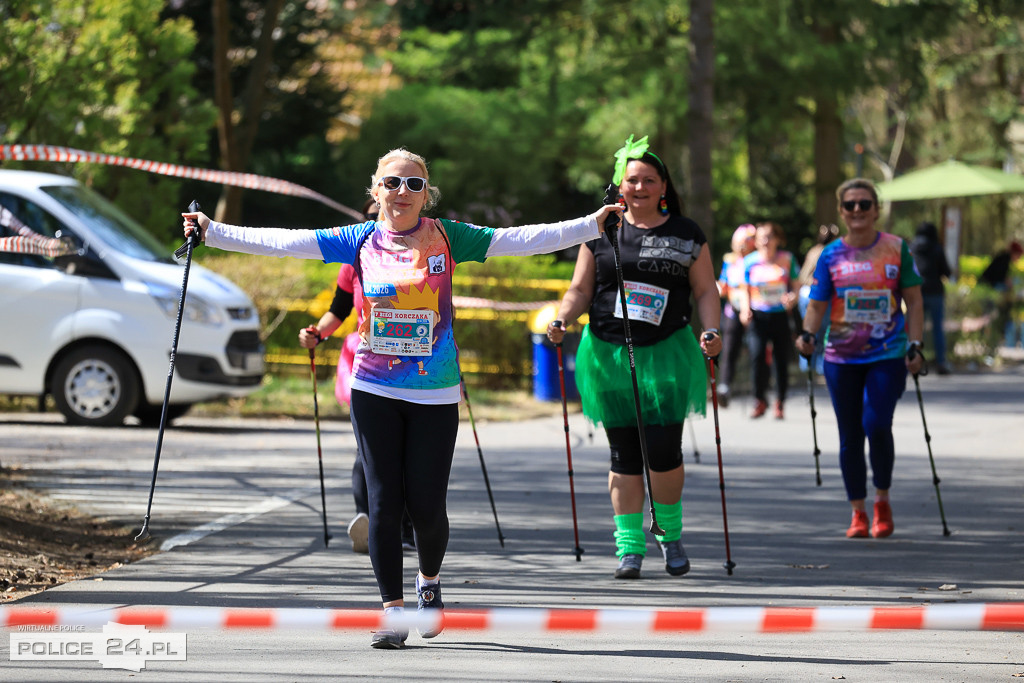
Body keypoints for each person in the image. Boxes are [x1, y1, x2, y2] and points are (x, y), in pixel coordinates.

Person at [183, 148, 623, 650]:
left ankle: (429, 582)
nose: (403, 193)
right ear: (376, 192)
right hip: (373, 387)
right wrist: (212, 231)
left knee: (427, 507)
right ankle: (391, 609)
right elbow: (285, 243)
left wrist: (591, 224)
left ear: (426, 195)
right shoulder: (358, 240)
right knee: (383, 502)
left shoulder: (447, 236)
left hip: (435, 392)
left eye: (415, 185)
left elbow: (521, 240)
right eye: (393, 183)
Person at [545, 134, 722, 580]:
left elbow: (705, 290)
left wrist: (713, 331)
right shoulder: (599, 231)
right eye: (631, 180)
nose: (639, 187)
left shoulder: (686, 234)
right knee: (623, 453)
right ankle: (629, 548)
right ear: (618, 187)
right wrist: (563, 318)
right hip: (607, 352)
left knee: (663, 451)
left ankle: (670, 532)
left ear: (664, 186)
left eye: (648, 180)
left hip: (666, 352)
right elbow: (580, 289)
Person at [795, 178, 924, 540]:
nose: (857, 211)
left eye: (864, 204)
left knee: (877, 423)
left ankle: (882, 499)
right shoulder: (831, 254)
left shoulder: (897, 249)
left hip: (888, 352)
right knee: (850, 434)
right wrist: (808, 335)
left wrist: (916, 343)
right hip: (841, 357)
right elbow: (818, 304)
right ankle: (858, 511)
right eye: (850, 205)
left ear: (876, 209)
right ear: (841, 211)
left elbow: (914, 301)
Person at [297, 199, 416, 554]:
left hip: (415, 361)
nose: (375, 221)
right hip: (366, 358)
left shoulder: (421, 249)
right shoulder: (355, 256)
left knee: (410, 450)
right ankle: (369, 521)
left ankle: (406, 529)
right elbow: (339, 307)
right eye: (368, 215)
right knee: (372, 447)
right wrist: (317, 333)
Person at [740, 221, 799, 419]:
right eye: (761, 237)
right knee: (757, 356)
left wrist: (792, 297)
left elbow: (797, 286)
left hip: (780, 314)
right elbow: (744, 288)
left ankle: (780, 402)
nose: (765, 241)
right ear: (755, 241)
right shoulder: (749, 261)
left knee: (781, 359)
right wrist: (745, 309)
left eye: (769, 236)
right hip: (758, 315)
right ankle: (759, 400)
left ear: (777, 239)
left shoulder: (787, 259)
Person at [716, 224, 756, 407]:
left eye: (746, 243)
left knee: (756, 349)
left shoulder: (758, 261)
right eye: (740, 243)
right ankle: (724, 386)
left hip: (755, 310)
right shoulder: (730, 261)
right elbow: (723, 285)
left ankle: (758, 390)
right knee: (730, 349)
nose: (742, 247)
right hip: (732, 311)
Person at [797, 223, 840, 376]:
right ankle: (815, 367)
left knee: (812, 332)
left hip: (809, 295)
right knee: (818, 332)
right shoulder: (827, 252)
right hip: (816, 296)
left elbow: (802, 275)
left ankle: (811, 367)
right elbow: (806, 276)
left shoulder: (814, 251)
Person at [910, 221, 952, 373]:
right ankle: (941, 362)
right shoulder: (937, 248)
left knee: (914, 328)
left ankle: (912, 359)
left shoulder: (912, 248)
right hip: (935, 292)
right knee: (937, 330)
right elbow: (946, 271)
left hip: (915, 292)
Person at [979, 240, 1023, 348]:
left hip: (988, 287)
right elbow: (1000, 278)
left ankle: (986, 339)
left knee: (989, 314)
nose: (1018, 259)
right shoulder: (1005, 259)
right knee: (990, 314)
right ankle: (986, 340)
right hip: (988, 289)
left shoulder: (1004, 258)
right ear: (1015, 253)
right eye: (1019, 256)